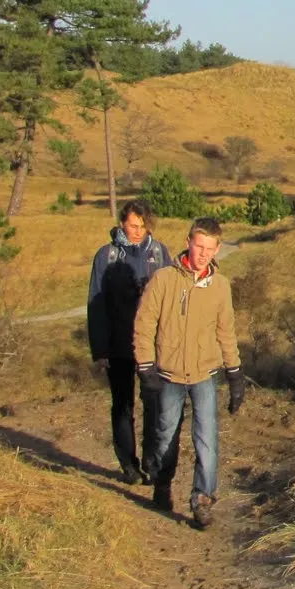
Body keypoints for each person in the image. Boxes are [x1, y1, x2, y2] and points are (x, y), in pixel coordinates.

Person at [133, 216, 246, 529]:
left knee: (207, 438)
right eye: (199, 246)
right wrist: (145, 366)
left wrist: (235, 373)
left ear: (217, 249)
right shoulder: (164, 279)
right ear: (188, 243)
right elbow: (144, 324)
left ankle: (202, 499)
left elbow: (226, 331)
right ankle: (163, 482)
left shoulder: (220, 286)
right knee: (165, 435)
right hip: (167, 374)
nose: (203, 253)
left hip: (204, 373)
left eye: (210, 248)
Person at [86, 199, 174, 484]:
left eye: (143, 226)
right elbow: (96, 304)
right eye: (133, 225)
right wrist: (100, 349)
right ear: (122, 223)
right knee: (122, 406)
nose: (138, 231)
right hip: (118, 344)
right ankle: (128, 464)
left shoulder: (160, 254)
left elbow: (172, 300)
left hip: (153, 345)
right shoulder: (106, 256)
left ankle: (151, 461)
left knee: (154, 403)